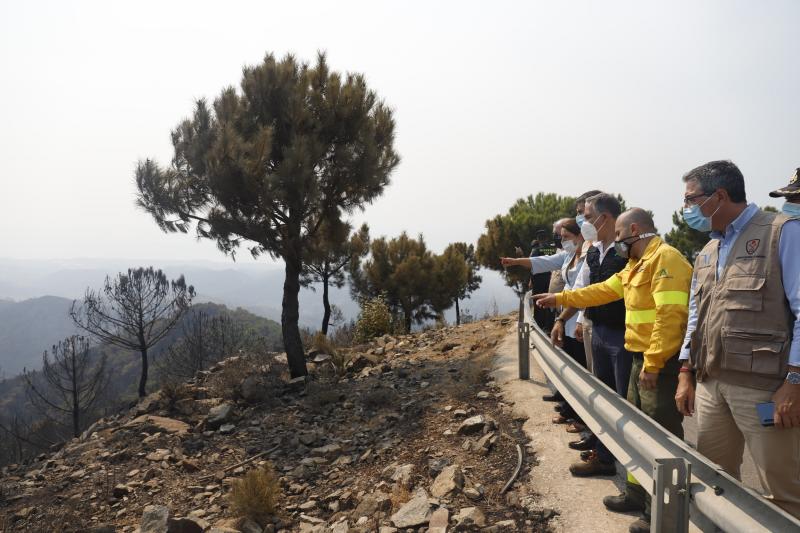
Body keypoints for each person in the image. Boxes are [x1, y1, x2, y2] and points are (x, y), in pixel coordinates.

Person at [536, 207, 692, 533]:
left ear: (634, 229)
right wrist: (561, 298)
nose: (617, 241)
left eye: (619, 235)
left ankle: (658, 512)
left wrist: (652, 363)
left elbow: (669, 317)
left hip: (656, 365)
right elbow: (603, 290)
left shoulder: (667, 260)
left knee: (657, 439)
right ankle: (636, 493)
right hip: (639, 359)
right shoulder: (636, 265)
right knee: (635, 433)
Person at [674, 161, 800, 518]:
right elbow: (697, 316)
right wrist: (686, 370)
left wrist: (794, 381)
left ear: (719, 196)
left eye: (690, 199)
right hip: (713, 385)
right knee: (713, 477)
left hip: (765, 393)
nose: (686, 208)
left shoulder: (783, 232)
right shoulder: (708, 250)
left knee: (782, 487)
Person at [554, 193, 631, 470]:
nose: (582, 222)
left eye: (586, 217)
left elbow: (601, 292)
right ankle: (604, 452)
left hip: (622, 336)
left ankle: (624, 460)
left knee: (623, 402)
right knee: (602, 397)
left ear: (605, 217)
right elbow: (581, 291)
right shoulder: (594, 251)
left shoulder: (627, 250)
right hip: (597, 332)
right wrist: (562, 319)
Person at [502, 218, 587, 432]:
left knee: (582, 372)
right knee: (570, 368)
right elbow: (543, 261)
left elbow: (585, 292)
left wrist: (577, 319)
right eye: (561, 237)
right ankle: (570, 409)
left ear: (579, 235)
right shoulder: (568, 256)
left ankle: (581, 417)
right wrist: (517, 261)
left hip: (578, 320)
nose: (562, 241)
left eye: (565, 237)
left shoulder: (589, 257)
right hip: (565, 318)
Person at [529, 230, 557, 332]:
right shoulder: (552, 248)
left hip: (539, 281)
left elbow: (531, 265)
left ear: (538, 238)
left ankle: (538, 326)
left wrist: (531, 280)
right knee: (549, 302)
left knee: (539, 302)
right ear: (546, 238)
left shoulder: (536, 250)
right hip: (551, 279)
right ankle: (549, 325)